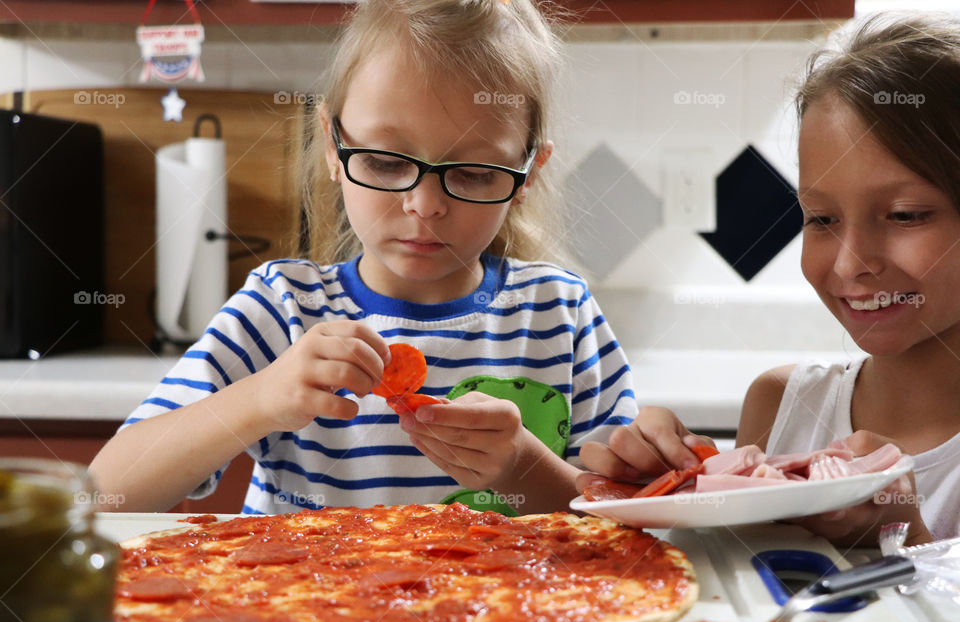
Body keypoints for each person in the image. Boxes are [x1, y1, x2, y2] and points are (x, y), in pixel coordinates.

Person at [90, 0, 639, 516]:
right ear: (332, 145)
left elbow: (627, 518)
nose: (424, 206)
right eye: (382, 161)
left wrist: (525, 468)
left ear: (528, 175)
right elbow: (105, 494)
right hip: (303, 612)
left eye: (474, 173)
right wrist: (260, 398)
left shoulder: (559, 313)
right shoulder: (283, 308)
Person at [578, 12, 960, 545]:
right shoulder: (781, 403)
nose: (851, 264)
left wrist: (904, 535)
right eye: (822, 219)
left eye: (904, 214)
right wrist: (670, 498)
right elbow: (736, 597)